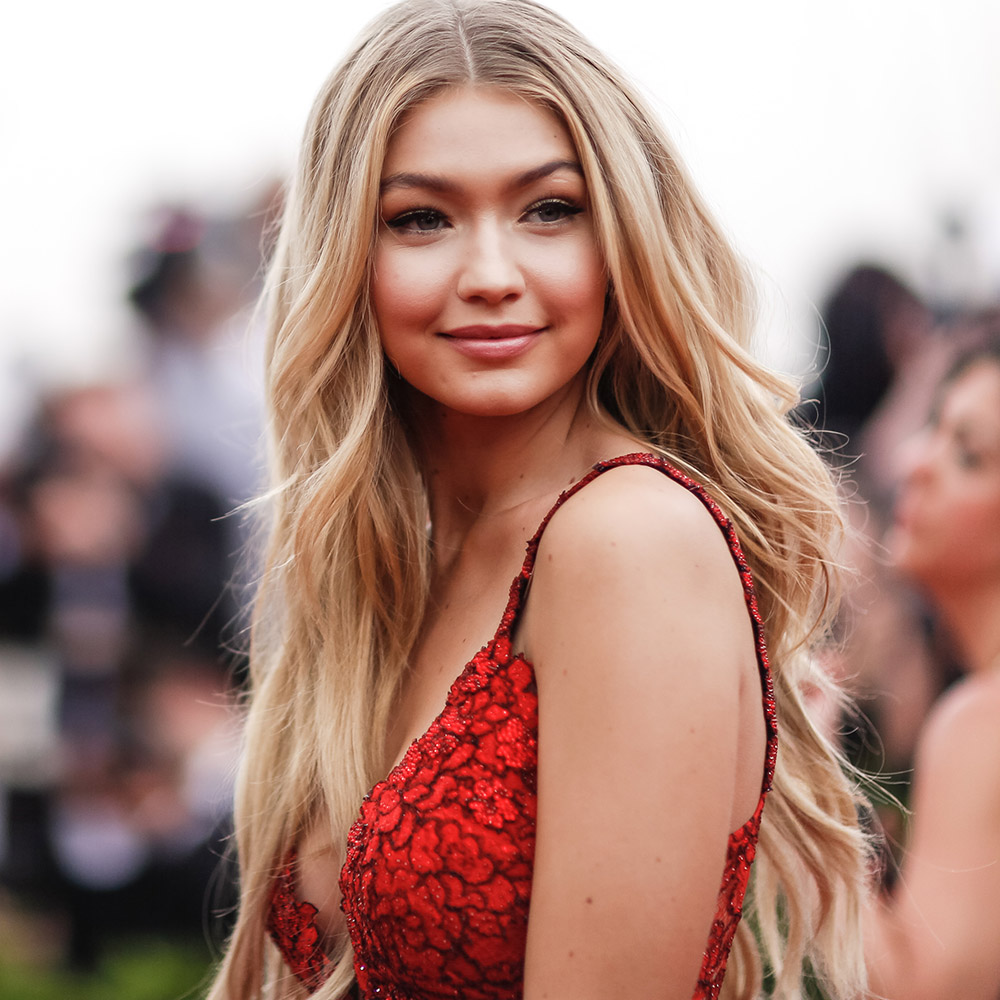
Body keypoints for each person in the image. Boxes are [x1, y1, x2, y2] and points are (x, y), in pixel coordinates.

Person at [206, 2, 872, 998]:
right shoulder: (397, 564)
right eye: (420, 218)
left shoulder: (629, 539)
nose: (489, 274)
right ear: (348, 254)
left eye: (548, 209)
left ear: (622, 238)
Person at [865, 336, 1000, 1000]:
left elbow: (917, 990)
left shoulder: (981, 722)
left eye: (969, 455)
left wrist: (816, 801)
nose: (918, 463)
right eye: (935, 429)